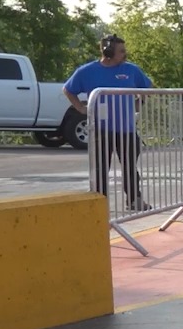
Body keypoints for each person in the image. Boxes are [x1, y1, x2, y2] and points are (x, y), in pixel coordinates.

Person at [63, 33, 153, 210]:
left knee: (130, 167)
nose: (125, 54)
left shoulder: (131, 70)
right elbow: (68, 89)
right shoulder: (87, 71)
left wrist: (139, 102)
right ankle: (99, 202)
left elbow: (148, 87)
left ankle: (134, 199)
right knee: (101, 169)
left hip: (126, 128)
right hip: (101, 130)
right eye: (121, 51)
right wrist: (81, 108)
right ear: (108, 51)